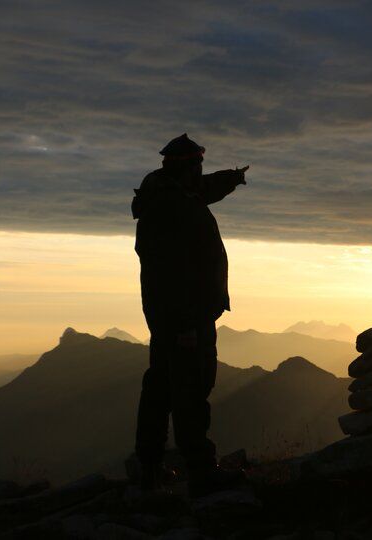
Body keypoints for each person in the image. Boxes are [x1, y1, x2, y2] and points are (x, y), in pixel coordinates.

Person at [131, 133, 248, 496]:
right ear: (188, 167)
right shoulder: (172, 206)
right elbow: (172, 270)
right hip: (185, 316)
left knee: (161, 385)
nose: (201, 172)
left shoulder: (170, 193)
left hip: (169, 314)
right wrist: (185, 324)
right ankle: (200, 470)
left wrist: (232, 177)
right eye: (198, 165)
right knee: (191, 387)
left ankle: (148, 467)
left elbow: (205, 188)